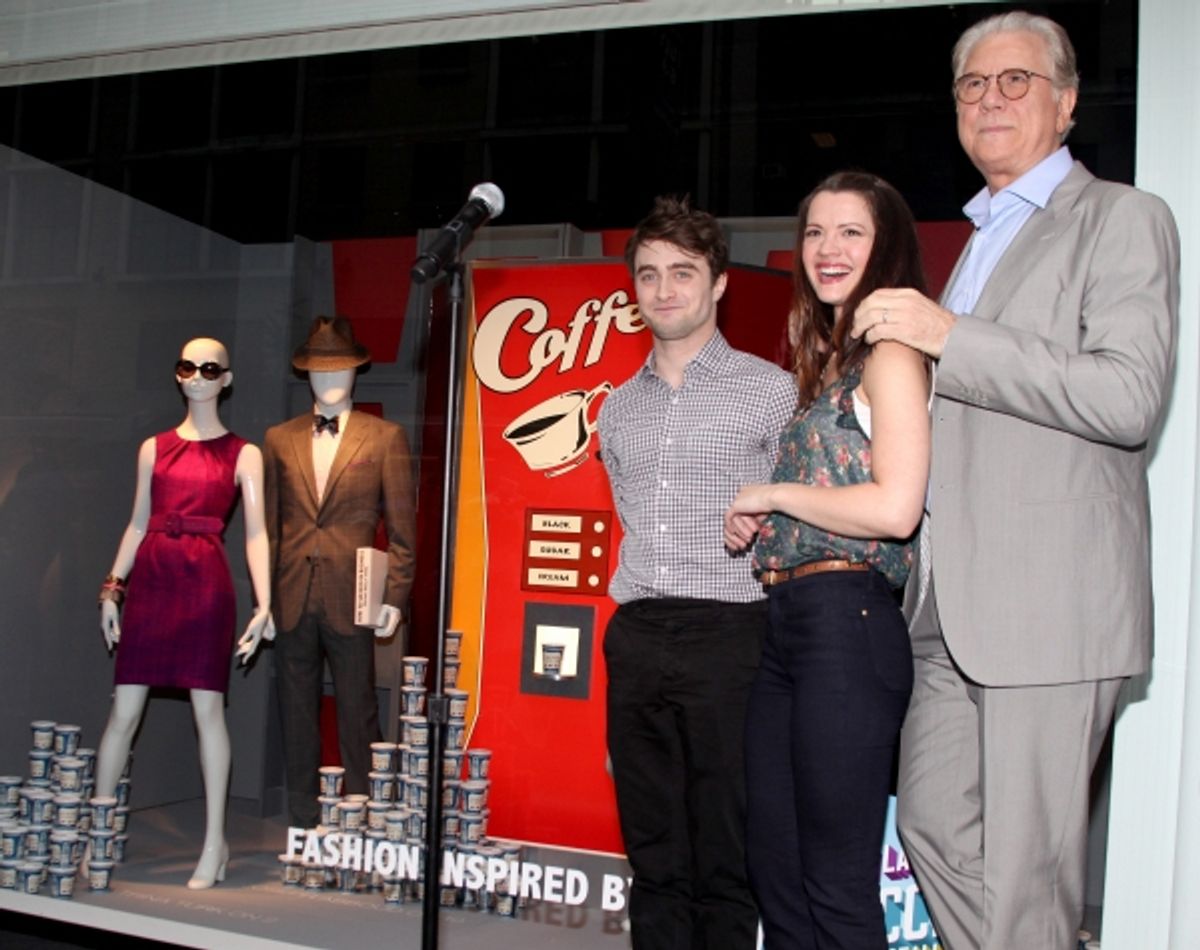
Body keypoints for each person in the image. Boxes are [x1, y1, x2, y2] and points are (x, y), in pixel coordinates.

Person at [850, 11, 1179, 949]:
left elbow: (1126, 397)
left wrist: (950, 338)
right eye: (971, 85)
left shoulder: (1122, 218)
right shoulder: (979, 239)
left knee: (1028, 878)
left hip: (1052, 605)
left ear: (1067, 103)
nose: (989, 99)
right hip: (949, 607)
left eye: (1015, 81)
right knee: (932, 830)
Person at [723, 171, 929, 948]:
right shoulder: (832, 363)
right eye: (815, 232)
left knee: (835, 889)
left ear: (888, 248)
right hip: (789, 625)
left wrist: (775, 495)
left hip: (851, 623)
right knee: (777, 873)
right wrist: (762, 524)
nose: (828, 248)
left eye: (851, 232)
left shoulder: (892, 354)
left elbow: (894, 506)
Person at [597, 195, 797, 949]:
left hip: (732, 633)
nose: (664, 289)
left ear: (718, 284)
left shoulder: (770, 390)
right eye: (648, 274)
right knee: (651, 848)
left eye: (683, 272)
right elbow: (627, 516)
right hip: (639, 632)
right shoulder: (617, 410)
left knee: (724, 844)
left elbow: (798, 517)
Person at [94, 336, 272, 889]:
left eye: (209, 367)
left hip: (204, 585)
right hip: (151, 579)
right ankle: (97, 835)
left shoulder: (244, 454)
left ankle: (215, 842)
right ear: (177, 375)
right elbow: (138, 521)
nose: (197, 375)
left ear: (227, 378)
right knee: (123, 712)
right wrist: (112, 586)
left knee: (208, 712)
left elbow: (258, 533)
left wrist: (266, 604)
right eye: (187, 366)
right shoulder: (153, 448)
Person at [264, 315, 416, 828]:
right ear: (305, 375)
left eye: (340, 371)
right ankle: (303, 821)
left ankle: (364, 817)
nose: (330, 382)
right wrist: (264, 601)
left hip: (354, 595)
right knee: (296, 714)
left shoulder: (383, 437)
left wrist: (394, 597)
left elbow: (401, 528)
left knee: (358, 712)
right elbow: (267, 528)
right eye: (319, 372)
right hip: (290, 594)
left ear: (356, 373)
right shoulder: (278, 440)